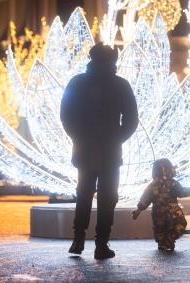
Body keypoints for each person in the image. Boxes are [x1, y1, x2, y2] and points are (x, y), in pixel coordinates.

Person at [60, 43, 138, 259]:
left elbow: (66, 115)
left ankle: (78, 239)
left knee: (84, 193)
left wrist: (79, 136)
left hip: (86, 148)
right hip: (109, 150)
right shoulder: (120, 85)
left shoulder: (77, 83)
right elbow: (132, 120)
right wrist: (116, 138)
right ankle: (101, 244)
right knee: (107, 196)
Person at [132, 158, 190, 251]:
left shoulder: (152, 185)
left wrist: (138, 211)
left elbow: (145, 198)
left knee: (160, 230)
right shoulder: (173, 183)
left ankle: (162, 243)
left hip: (158, 213)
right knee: (180, 224)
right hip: (173, 212)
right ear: (170, 169)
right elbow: (182, 192)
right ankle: (170, 239)